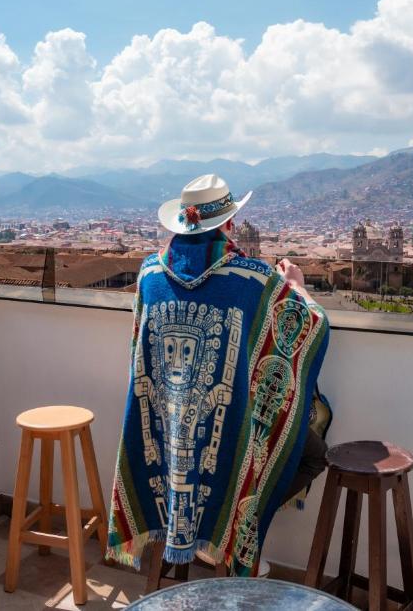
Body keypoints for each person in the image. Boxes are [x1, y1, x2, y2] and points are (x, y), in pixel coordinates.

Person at [106, 174, 331, 577]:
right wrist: (297, 285)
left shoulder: (148, 276)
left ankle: (198, 534)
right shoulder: (254, 281)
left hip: (163, 429)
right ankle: (232, 533)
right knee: (308, 453)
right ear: (228, 225)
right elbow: (309, 322)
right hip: (229, 432)